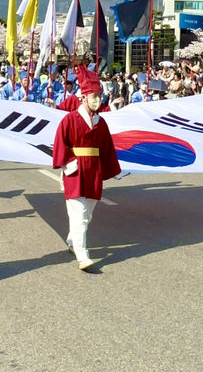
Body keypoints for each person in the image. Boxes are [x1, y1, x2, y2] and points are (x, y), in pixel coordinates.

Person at [52, 65, 121, 270]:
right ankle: (83, 256)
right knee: (79, 213)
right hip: (75, 169)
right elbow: (60, 143)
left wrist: (114, 171)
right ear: (83, 98)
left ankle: (73, 241)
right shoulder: (69, 119)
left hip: (94, 170)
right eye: (94, 97)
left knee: (87, 214)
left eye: (100, 96)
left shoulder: (101, 123)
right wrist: (66, 164)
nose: (98, 100)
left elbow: (107, 148)